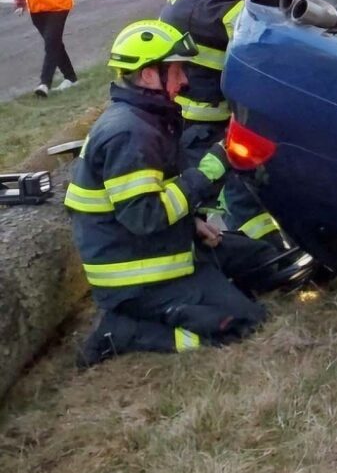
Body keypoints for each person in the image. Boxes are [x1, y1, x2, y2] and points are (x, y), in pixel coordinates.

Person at [65, 19, 268, 366]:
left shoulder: (147, 119)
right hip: (140, 278)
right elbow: (146, 215)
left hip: (166, 246)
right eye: (176, 72)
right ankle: (124, 332)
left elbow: (155, 195)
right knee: (243, 323)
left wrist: (192, 223)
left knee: (263, 258)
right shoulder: (129, 134)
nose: (184, 81)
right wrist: (209, 170)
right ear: (148, 75)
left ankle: (207, 289)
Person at [161, 0, 283, 244]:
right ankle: (270, 254)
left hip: (200, 103)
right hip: (203, 117)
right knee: (235, 189)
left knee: (239, 182)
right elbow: (262, 45)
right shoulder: (219, 8)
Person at [12, 0, 78, 97]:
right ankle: (71, 78)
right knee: (54, 43)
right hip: (37, 8)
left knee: (51, 42)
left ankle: (44, 84)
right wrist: (20, 2)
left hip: (58, 5)